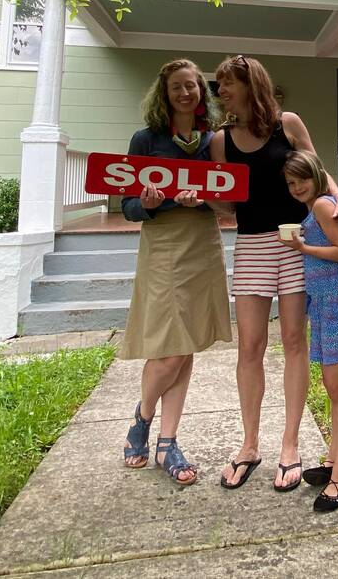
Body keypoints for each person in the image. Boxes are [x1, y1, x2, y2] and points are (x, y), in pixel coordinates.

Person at [211, 54, 338, 492]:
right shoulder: (222, 140)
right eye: (218, 86)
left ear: (249, 83)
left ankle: (290, 445)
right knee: (250, 346)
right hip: (253, 243)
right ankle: (250, 444)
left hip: (295, 242)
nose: (220, 92)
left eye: (226, 84)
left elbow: (317, 170)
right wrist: (198, 198)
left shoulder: (287, 123)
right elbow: (225, 202)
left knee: (294, 340)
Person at [120, 58, 231, 487]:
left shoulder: (211, 142)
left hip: (202, 242)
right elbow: (129, 206)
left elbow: (225, 198)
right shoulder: (146, 140)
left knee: (186, 344)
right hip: (164, 244)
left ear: (201, 93)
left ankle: (167, 442)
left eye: (192, 86)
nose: (186, 93)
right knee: (170, 346)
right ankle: (142, 418)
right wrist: (147, 203)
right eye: (177, 88)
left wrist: (199, 201)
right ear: (164, 96)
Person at [282, 150, 338, 512]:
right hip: (325, 305)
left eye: (302, 180)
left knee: (336, 389)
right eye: (291, 183)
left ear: (316, 175)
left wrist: (301, 246)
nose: (297, 187)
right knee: (332, 388)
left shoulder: (322, 207)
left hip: (336, 306)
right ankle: (333, 460)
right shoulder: (319, 205)